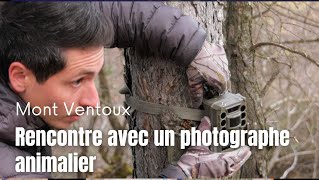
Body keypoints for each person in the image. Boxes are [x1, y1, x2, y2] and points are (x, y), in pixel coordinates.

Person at [0, 2, 251, 178]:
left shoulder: (15, 27)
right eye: (77, 81)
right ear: (20, 76)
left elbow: (100, 13)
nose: (93, 101)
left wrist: (191, 42)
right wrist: (182, 174)